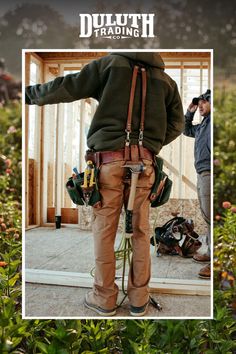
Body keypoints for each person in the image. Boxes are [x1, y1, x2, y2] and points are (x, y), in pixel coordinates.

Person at [25, 52, 184, 316]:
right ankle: (138, 300)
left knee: (104, 231)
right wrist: (149, 145)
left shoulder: (110, 64)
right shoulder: (166, 80)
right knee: (142, 233)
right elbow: (177, 124)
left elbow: (66, 86)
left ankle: (105, 298)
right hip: (145, 167)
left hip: (107, 163)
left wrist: (28, 94)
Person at [183, 90, 211, 279]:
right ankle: (211, 254)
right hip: (202, 173)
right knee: (208, 218)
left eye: (204, 102)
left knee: (213, 218)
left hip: (211, 172)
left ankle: (215, 265)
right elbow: (185, 129)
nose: (200, 105)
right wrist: (189, 112)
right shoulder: (202, 126)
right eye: (198, 103)